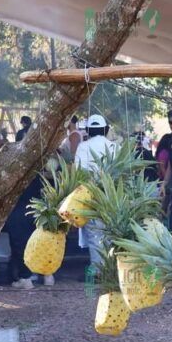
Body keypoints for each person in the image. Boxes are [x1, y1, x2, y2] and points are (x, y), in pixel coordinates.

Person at [75, 114, 118, 267]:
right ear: (106, 129)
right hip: (111, 195)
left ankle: (98, 269)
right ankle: (110, 269)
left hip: (90, 195)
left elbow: (79, 172)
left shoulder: (83, 146)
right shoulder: (114, 146)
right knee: (110, 233)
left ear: (87, 130)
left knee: (94, 234)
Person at [3, 168, 44, 289]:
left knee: (19, 244)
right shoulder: (34, 172)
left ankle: (25, 278)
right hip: (35, 209)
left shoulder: (10, 171)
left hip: (17, 211)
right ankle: (46, 275)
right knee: (35, 243)